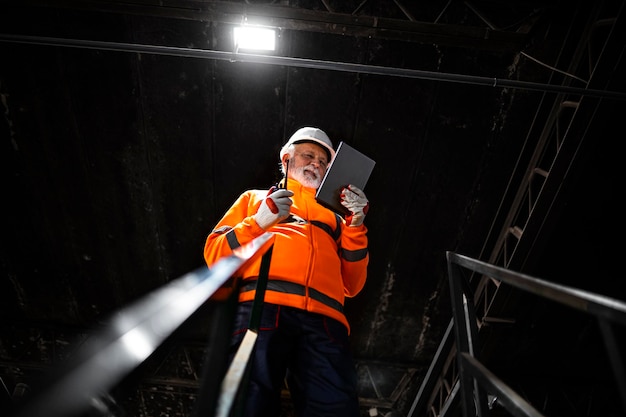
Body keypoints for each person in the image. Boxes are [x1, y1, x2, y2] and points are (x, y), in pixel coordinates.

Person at [203, 126, 370, 417]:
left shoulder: (337, 219)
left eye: (323, 160)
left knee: (336, 408)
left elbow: (353, 285)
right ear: (286, 159)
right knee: (248, 401)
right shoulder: (254, 199)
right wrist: (259, 221)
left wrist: (355, 226)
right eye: (308, 155)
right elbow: (215, 254)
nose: (316, 163)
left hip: (325, 320)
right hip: (261, 307)